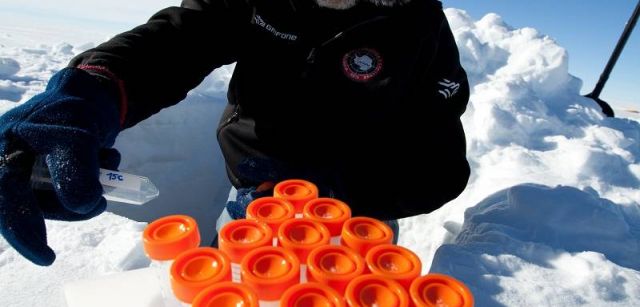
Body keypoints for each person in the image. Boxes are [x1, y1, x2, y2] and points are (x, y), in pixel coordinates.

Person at [0, 0, 470, 266]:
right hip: (255, 184)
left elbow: (436, 156)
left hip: (359, 212)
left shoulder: (419, 25)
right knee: (234, 279)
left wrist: (343, 196)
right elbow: (178, 40)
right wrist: (88, 94)